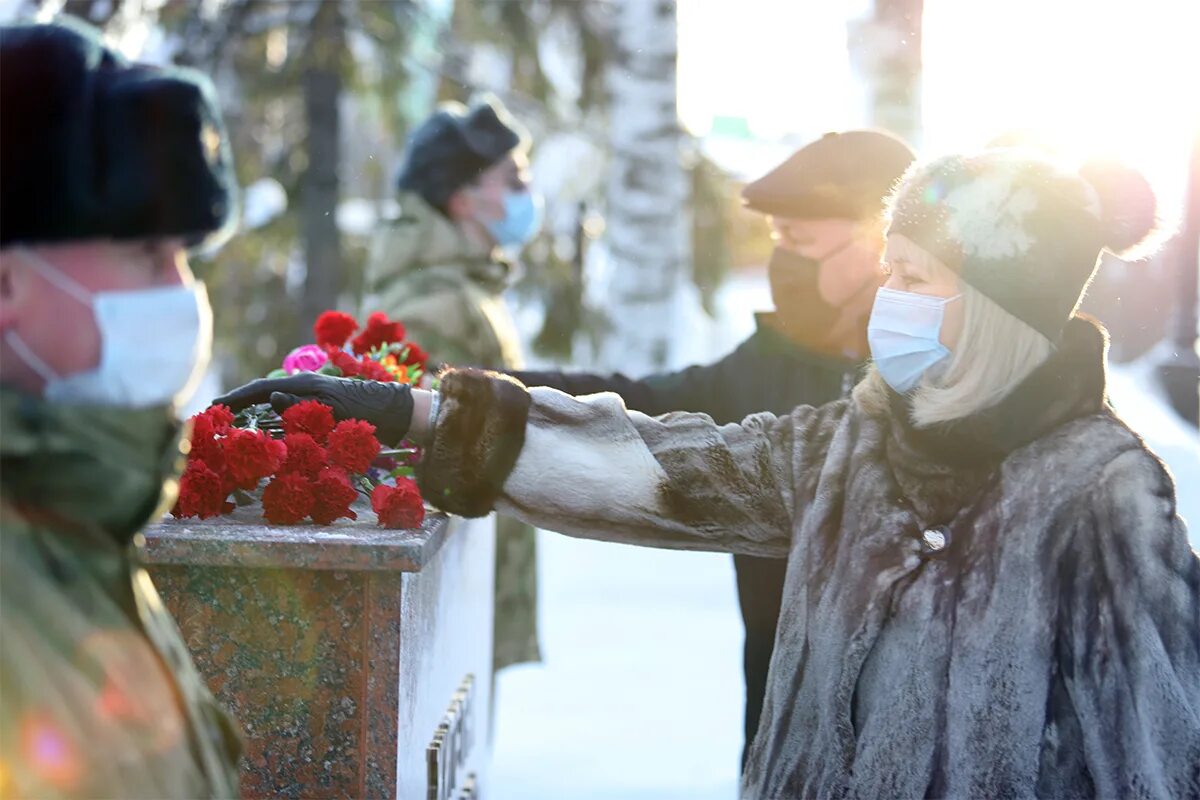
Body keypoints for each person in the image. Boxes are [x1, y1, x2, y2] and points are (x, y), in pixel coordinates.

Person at [220, 149, 1200, 797]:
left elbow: (1157, 759)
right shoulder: (856, 442)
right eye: (887, 267)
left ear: (995, 304)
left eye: (915, 278)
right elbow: (664, 466)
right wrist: (423, 412)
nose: (885, 302)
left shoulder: (1101, 493)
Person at [507, 130, 916, 764]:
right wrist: (468, 391)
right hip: (784, 725)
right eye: (777, 241)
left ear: (877, 243)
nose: (784, 264)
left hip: (912, 727)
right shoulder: (763, 367)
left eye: (800, 243)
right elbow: (632, 402)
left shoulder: (933, 371)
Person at [0, 19, 241, 798]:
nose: (181, 297)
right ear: (6, 286)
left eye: (184, 258)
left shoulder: (79, 513)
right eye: (146, 256)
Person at [362, 96, 542, 671]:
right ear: (462, 199)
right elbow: (435, 459)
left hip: (475, 583)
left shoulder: (468, 290)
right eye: (512, 178)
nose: (526, 192)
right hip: (451, 598)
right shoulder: (433, 302)